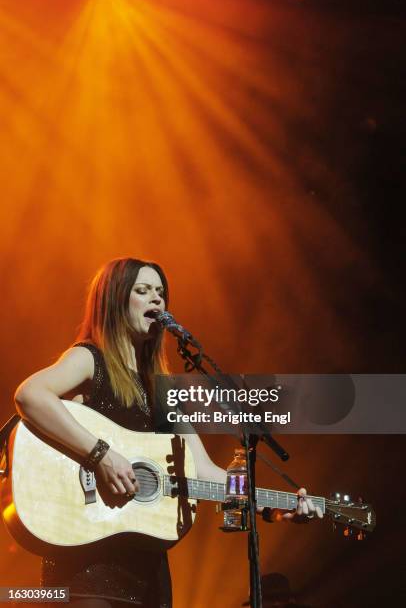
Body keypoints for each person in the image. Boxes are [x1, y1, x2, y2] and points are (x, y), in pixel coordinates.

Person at [14, 257, 322, 608]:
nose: (156, 300)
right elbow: (30, 394)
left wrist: (274, 508)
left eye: (160, 293)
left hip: (149, 577)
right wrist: (101, 455)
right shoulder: (89, 359)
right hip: (88, 571)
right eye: (142, 291)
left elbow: (204, 472)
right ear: (114, 302)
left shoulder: (161, 389)